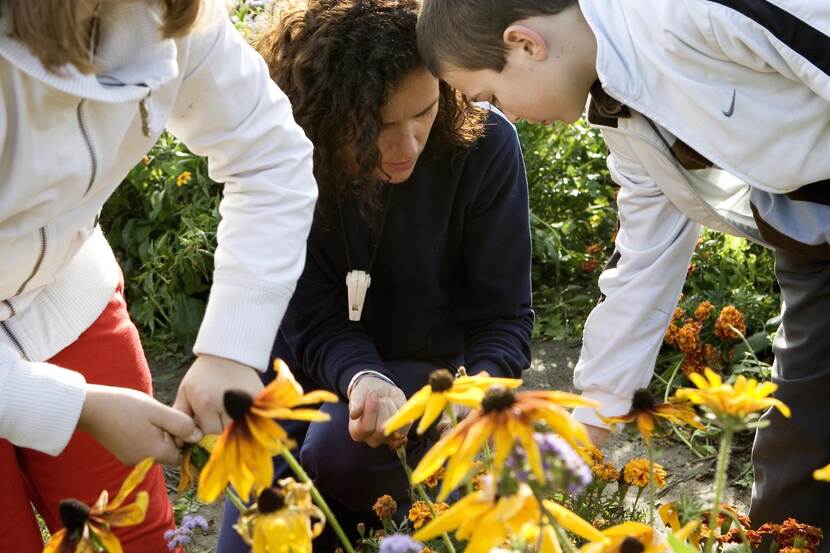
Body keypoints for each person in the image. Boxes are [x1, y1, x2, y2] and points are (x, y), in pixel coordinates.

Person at [415, 0, 830, 544]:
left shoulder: (687, 12)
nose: (506, 116)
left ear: (524, 44)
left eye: (492, 97)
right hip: (814, 242)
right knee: (795, 465)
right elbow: (643, 266)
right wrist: (579, 438)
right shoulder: (622, 116)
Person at [0, 0, 317, 550]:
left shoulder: (174, 13)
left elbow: (268, 156)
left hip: (67, 300)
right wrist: (73, 406)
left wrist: (231, 349)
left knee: (136, 535)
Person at [216, 0, 534, 549]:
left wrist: (475, 395)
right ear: (324, 115)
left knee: (343, 452)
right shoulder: (289, 156)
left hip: (428, 378)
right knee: (255, 533)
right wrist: (363, 377)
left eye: (424, 113)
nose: (406, 144)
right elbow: (311, 319)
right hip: (300, 374)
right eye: (380, 126)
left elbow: (503, 317)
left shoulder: (486, 147)